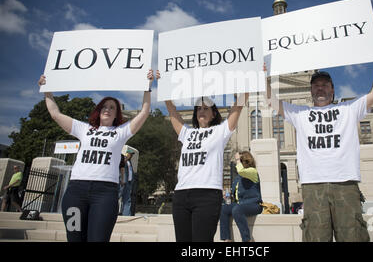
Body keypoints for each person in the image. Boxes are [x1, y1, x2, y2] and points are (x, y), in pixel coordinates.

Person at [265, 37, 373, 242]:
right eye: (316, 85)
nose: (320, 88)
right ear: (311, 90)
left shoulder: (348, 109)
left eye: (324, 85)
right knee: (315, 237)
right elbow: (271, 100)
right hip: (313, 186)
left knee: (353, 236)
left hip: (345, 183)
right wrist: (263, 77)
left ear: (332, 89)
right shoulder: (300, 113)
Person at [37, 69, 157, 242]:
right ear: (98, 111)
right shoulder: (84, 129)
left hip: (105, 194)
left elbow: (144, 112)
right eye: (104, 106)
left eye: (112, 107)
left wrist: (148, 86)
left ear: (117, 114)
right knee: (74, 237)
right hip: (75, 193)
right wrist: (46, 90)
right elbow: (55, 114)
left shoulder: (121, 132)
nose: (107, 109)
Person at [165, 93, 248, 242]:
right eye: (198, 109)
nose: (201, 111)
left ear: (213, 113)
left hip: (207, 195)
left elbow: (238, 106)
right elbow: (172, 111)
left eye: (205, 108)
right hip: (181, 195)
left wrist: (245, 89)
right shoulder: (186, 133)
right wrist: (162, 84)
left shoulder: (220, 132)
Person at [220, 151, 262, 242]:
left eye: (239, 161)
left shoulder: (252, 171)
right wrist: (227, 196)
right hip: (240, 204)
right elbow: (234, 195)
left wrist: (238, 158)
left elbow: (241, 171)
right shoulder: (238, 178)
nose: (236, 164)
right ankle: (227, 239)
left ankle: (246, 239)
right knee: (224, 209)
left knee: (237, 209)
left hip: (253, 204)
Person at [120, 149, 135, 216]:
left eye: (131, 154)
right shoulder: (123, 160)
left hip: (129, 183)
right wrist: (122, 179)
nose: (131, 155)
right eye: (130, 154)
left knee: (127, 199)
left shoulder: (130, 162)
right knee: (118, 196)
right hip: (123, 182)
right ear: (126, 154)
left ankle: (126, 214)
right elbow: (121, 170)